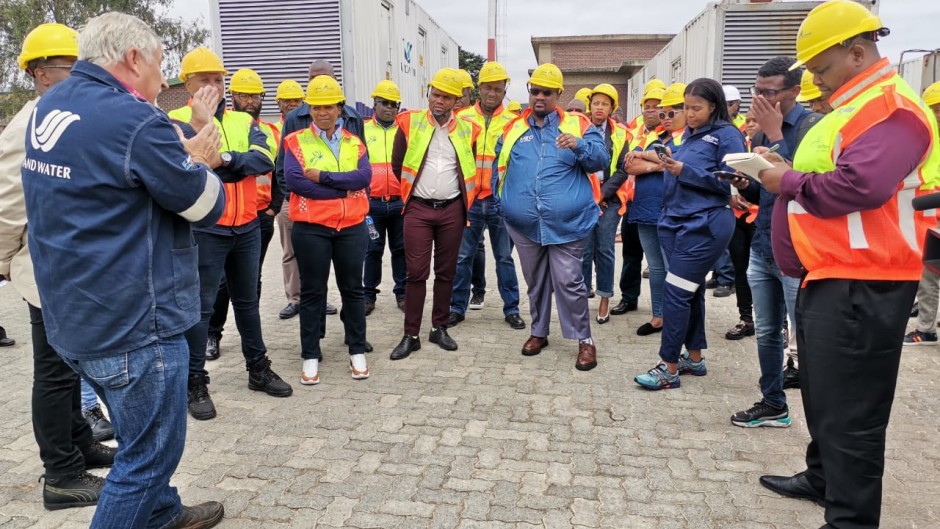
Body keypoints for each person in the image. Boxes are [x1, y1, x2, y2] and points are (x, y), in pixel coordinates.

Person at [22, 12, 228, 527]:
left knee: (138, 437)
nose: (165, 81)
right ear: (132, 58)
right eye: (160, 65)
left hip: (73, 316)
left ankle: (161, 513)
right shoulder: (135, 119)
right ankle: (143, 507)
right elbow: (206, 207)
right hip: (133, 324)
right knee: (148, 456)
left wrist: (174, 156)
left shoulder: (54, 105)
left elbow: (111, 175)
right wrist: (200, 161)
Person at [756, 3, 939, 527]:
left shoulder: (892, 109)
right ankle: (822, 476)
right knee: (823, 394)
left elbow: (862, 186)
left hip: (867, 281)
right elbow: (834, 172)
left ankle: (850, 519)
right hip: (834, 274)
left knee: (852, 416)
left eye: (821, 69)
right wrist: (785, 167)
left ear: (857, 52)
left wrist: (785, 182)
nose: (815, 81)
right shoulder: (855, 108)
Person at [0, 21, 116, 511]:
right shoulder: (29, 123)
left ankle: (80, 444)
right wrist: (5, 258)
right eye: (73, 68)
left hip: (72, 271)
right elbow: (7, 203)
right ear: (42, 72)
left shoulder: (69, 115)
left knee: (69, 370)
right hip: (45, 272)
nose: (82, 77)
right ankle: (61, 476)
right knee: (52, 373)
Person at [170, 47, 292, 421]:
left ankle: (257, 368)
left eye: (217, 80)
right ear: (186, 83)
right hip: (206, 229)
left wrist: (222, 161)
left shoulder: (244, 120)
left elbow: (262, 160)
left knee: (248, 302)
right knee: (202, 307)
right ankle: (195, 382)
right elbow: (185, 167)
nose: (212, 86)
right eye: (203, 79)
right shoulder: (174, 120)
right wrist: (217, 151)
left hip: (247, 225)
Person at [493, 63, 609, 370]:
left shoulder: (578, 124)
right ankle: (539, 332)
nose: (539, 97)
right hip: (524, 225)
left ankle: (585, 340)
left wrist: (579, 144)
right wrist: (503, 202)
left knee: (570, 281)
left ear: (558, 93)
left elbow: (601, 159)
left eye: (547, 92)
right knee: (536, 282)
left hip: (569, 225)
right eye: (535, 91)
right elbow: (498, 166)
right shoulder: (513, 127)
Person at [634, 78, 746, 390]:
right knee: (690, 291)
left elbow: (731, 183)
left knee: (675, 294)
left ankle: (668, 366)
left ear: (714, 106)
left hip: (704, 226)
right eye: (686, 107)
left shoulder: (727, 136)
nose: (690, 113)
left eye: (696, 108)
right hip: (676, 223)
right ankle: (694, 358)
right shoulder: (692, 135)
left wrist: (684, 170)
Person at [729, 56, 818, 428]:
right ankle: (773, 402)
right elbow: (769, 185)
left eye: (769, 93)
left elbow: (809, 182)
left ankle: (822, 424)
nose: (761, 100)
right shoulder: (763, 132)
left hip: (798, 253)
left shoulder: (813, 126)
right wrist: (744, 183)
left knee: (810, 339)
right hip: (763, 246)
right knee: (767, 332)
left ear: (794, 92)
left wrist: (778, 136)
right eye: (757, 91)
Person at [284, 76, 372, 385]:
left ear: (340, 108)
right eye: (318, 106)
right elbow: (295, 182)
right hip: (311, 229)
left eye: (330, 106)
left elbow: (362, 178)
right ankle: (310, 355)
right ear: (310, 109)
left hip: (351, 228)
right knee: (312, 292)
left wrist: (323, 177)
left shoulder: (355, 142)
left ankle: (357, 351)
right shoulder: (295, 141)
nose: (324, 112)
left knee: (352, 290)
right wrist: (341, 190)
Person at [389, 68, 481, 360]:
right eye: (434, 95)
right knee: (416, 273)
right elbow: (397, 164)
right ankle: (411, 334)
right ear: (427, 93)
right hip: (418, 208)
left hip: (453, 208)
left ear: (456, 100)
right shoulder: (408, 122)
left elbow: (469, 167)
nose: (438, 101)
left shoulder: (469, 129)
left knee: (446, 272)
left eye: (445, 97)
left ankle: (438, 328)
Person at [275, 60, 362, 320]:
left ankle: (351, 325)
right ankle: (297, 299)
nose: (318, 82)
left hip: (346, 211)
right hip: (303, 204)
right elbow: (284, 165)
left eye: (324, 77)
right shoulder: (295, 118)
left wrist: (343, 192)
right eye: (312, 77)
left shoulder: (353, 118)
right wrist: (294, 198)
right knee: (295, 254)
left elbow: (360, 166)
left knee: (348, 270)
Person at [205, 68, 280, 362]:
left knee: (251, 282)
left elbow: (271, 166)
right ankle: (214, 332)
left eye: (255, 95)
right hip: (217, 220)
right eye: (244, 95)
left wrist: (273, 207)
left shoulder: (269, 131)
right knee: (221, 283)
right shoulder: (214, 124)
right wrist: (241, 163)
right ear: (233, 96)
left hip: (257, 217)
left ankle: (253, 350)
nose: (250, 100)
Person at [448, 61, 525, 331]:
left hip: (498, 202)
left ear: (505, 91)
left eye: (498, 89)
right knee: (462, 257)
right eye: (488, 88)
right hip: (468, 200)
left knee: (504, 257)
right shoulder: (463, 118)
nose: (493, 93)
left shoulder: (514, 122)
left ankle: (512, 309)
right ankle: (457, 308)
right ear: (479, 88)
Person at [622, 85, 671, 335]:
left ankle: (675, 317)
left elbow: (673, 158)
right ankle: (658, 316)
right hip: (642, 207)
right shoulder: (642, 133)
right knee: (655, 267)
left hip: (668, 209)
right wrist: (656, 164)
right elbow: (629, 166)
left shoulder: (678, 135)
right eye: (648, 107)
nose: (654, 111)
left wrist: (646, 160)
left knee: (671, 267)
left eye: (659, 107)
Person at [581, 83, 630, 324]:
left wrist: (601, 195)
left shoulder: (620, 134)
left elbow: (622, 170)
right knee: (583, 249)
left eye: (605, 104)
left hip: (609, 200)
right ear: (590, 106)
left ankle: (604, 297)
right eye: (596, 103)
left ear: (612, 108)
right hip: (582, 199)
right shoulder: (580, 128)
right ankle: (579, 296)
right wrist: (590, 196)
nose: (599, 107)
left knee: (605, 248)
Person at [363, 80, 407, 315]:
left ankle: (403, 293)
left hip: (399, 203)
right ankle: (368, 295)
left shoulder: (404, 130)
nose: (389, 108)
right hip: (372, 206)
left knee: (401, 249)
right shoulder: (363, 131)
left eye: (394, 104)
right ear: (375, 103)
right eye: (384, 103)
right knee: (372, 249)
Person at [902, 80, 940, 347]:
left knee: (930, 272)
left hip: (931, 209)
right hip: (926, 211)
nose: (937, 114)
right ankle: (926, 326)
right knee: (928, 271)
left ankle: (926, 328)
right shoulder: (925, 135)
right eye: (934, 109)